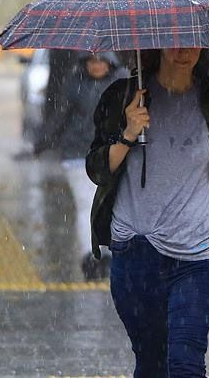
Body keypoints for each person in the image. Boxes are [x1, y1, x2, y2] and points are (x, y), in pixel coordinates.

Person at [85, 47, 209, 377]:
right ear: (155, 44)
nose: (183, 50)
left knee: (186, 363)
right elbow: (97, 170)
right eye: (173, 40)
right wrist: (129, 132)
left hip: (197, 256)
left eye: (192, 41)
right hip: (135, 253)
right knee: (151, 364)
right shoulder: (123, 97)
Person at [34, 51, 126, 280]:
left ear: (110, 62)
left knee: (110, 206)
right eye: (92, 61)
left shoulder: (123, 83)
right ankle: (91, 257)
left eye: (101, 61)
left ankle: (107, 255)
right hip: (78, 155)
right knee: (87, 206)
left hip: (111, 154)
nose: (96, 66)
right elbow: (60, 116)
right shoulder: (73, 84)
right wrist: (42, 142)